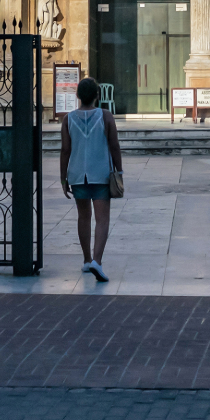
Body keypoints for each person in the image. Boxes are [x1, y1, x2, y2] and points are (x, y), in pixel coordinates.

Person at [60, 76, 122, 282]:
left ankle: (86, 259)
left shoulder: (68, 119)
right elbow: (114, 146)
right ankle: (97, 260)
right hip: (101, 174)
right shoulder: (105, 116)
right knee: (102, 219)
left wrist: (63, 177)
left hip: (78, 174)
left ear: (77, 95)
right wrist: (119, 171)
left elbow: (65, 150)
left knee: (83, 217)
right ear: (97, 95)